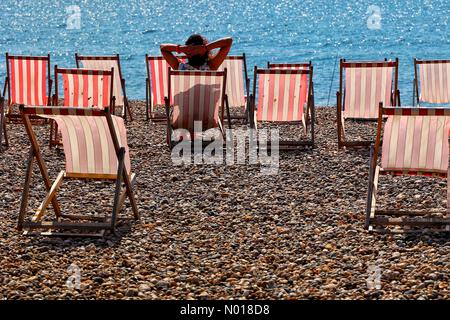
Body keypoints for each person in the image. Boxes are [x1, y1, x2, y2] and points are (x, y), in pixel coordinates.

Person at [160, 34, 232, 71]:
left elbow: (163, 48)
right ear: (204, 53)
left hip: (184, 100)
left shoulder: (180, 67)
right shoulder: (211, 66)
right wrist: (206, 48)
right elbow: (228, 41)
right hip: (207, 100)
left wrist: (181, 49)